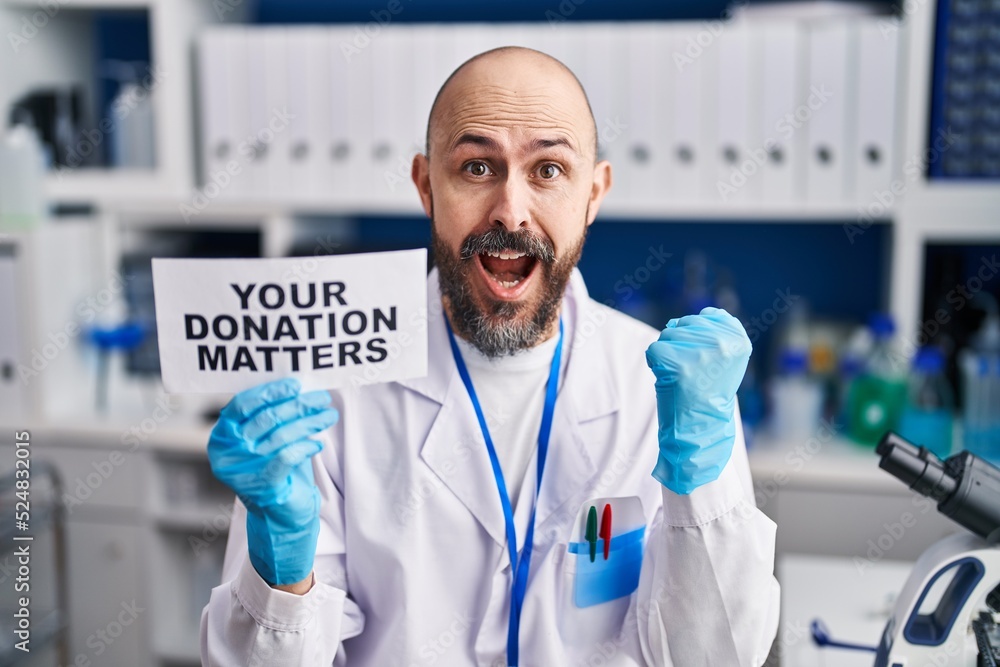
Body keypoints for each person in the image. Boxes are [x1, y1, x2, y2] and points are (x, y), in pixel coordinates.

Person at [201, 46, 779, 666]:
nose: (510, 208)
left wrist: (703, 490)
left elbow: (715, 658)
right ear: (427, 186)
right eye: (477, 168)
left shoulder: (664, 390)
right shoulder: (329, 393)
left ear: (594, 192)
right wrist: (279, 575)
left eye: (549, 170)